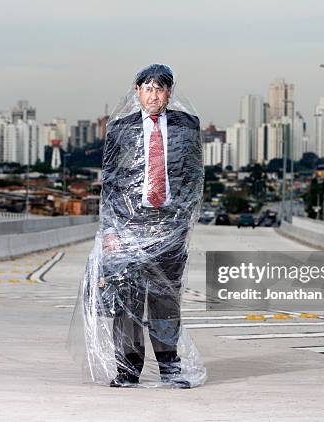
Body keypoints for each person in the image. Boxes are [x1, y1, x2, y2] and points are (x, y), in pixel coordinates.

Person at [98, 64, 204, 388]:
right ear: (137, 91)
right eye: (148, 88)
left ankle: (171, 369)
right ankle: (128, 370)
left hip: (169, 224)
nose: (153, 94)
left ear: (169, 93)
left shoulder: (187, 127)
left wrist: (182, 223)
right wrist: (111, 229)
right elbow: (111, 183)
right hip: (130, 224)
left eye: (160, 88)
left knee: (165, 300)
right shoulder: (120, 129)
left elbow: (194, 177)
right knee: (127, 300)